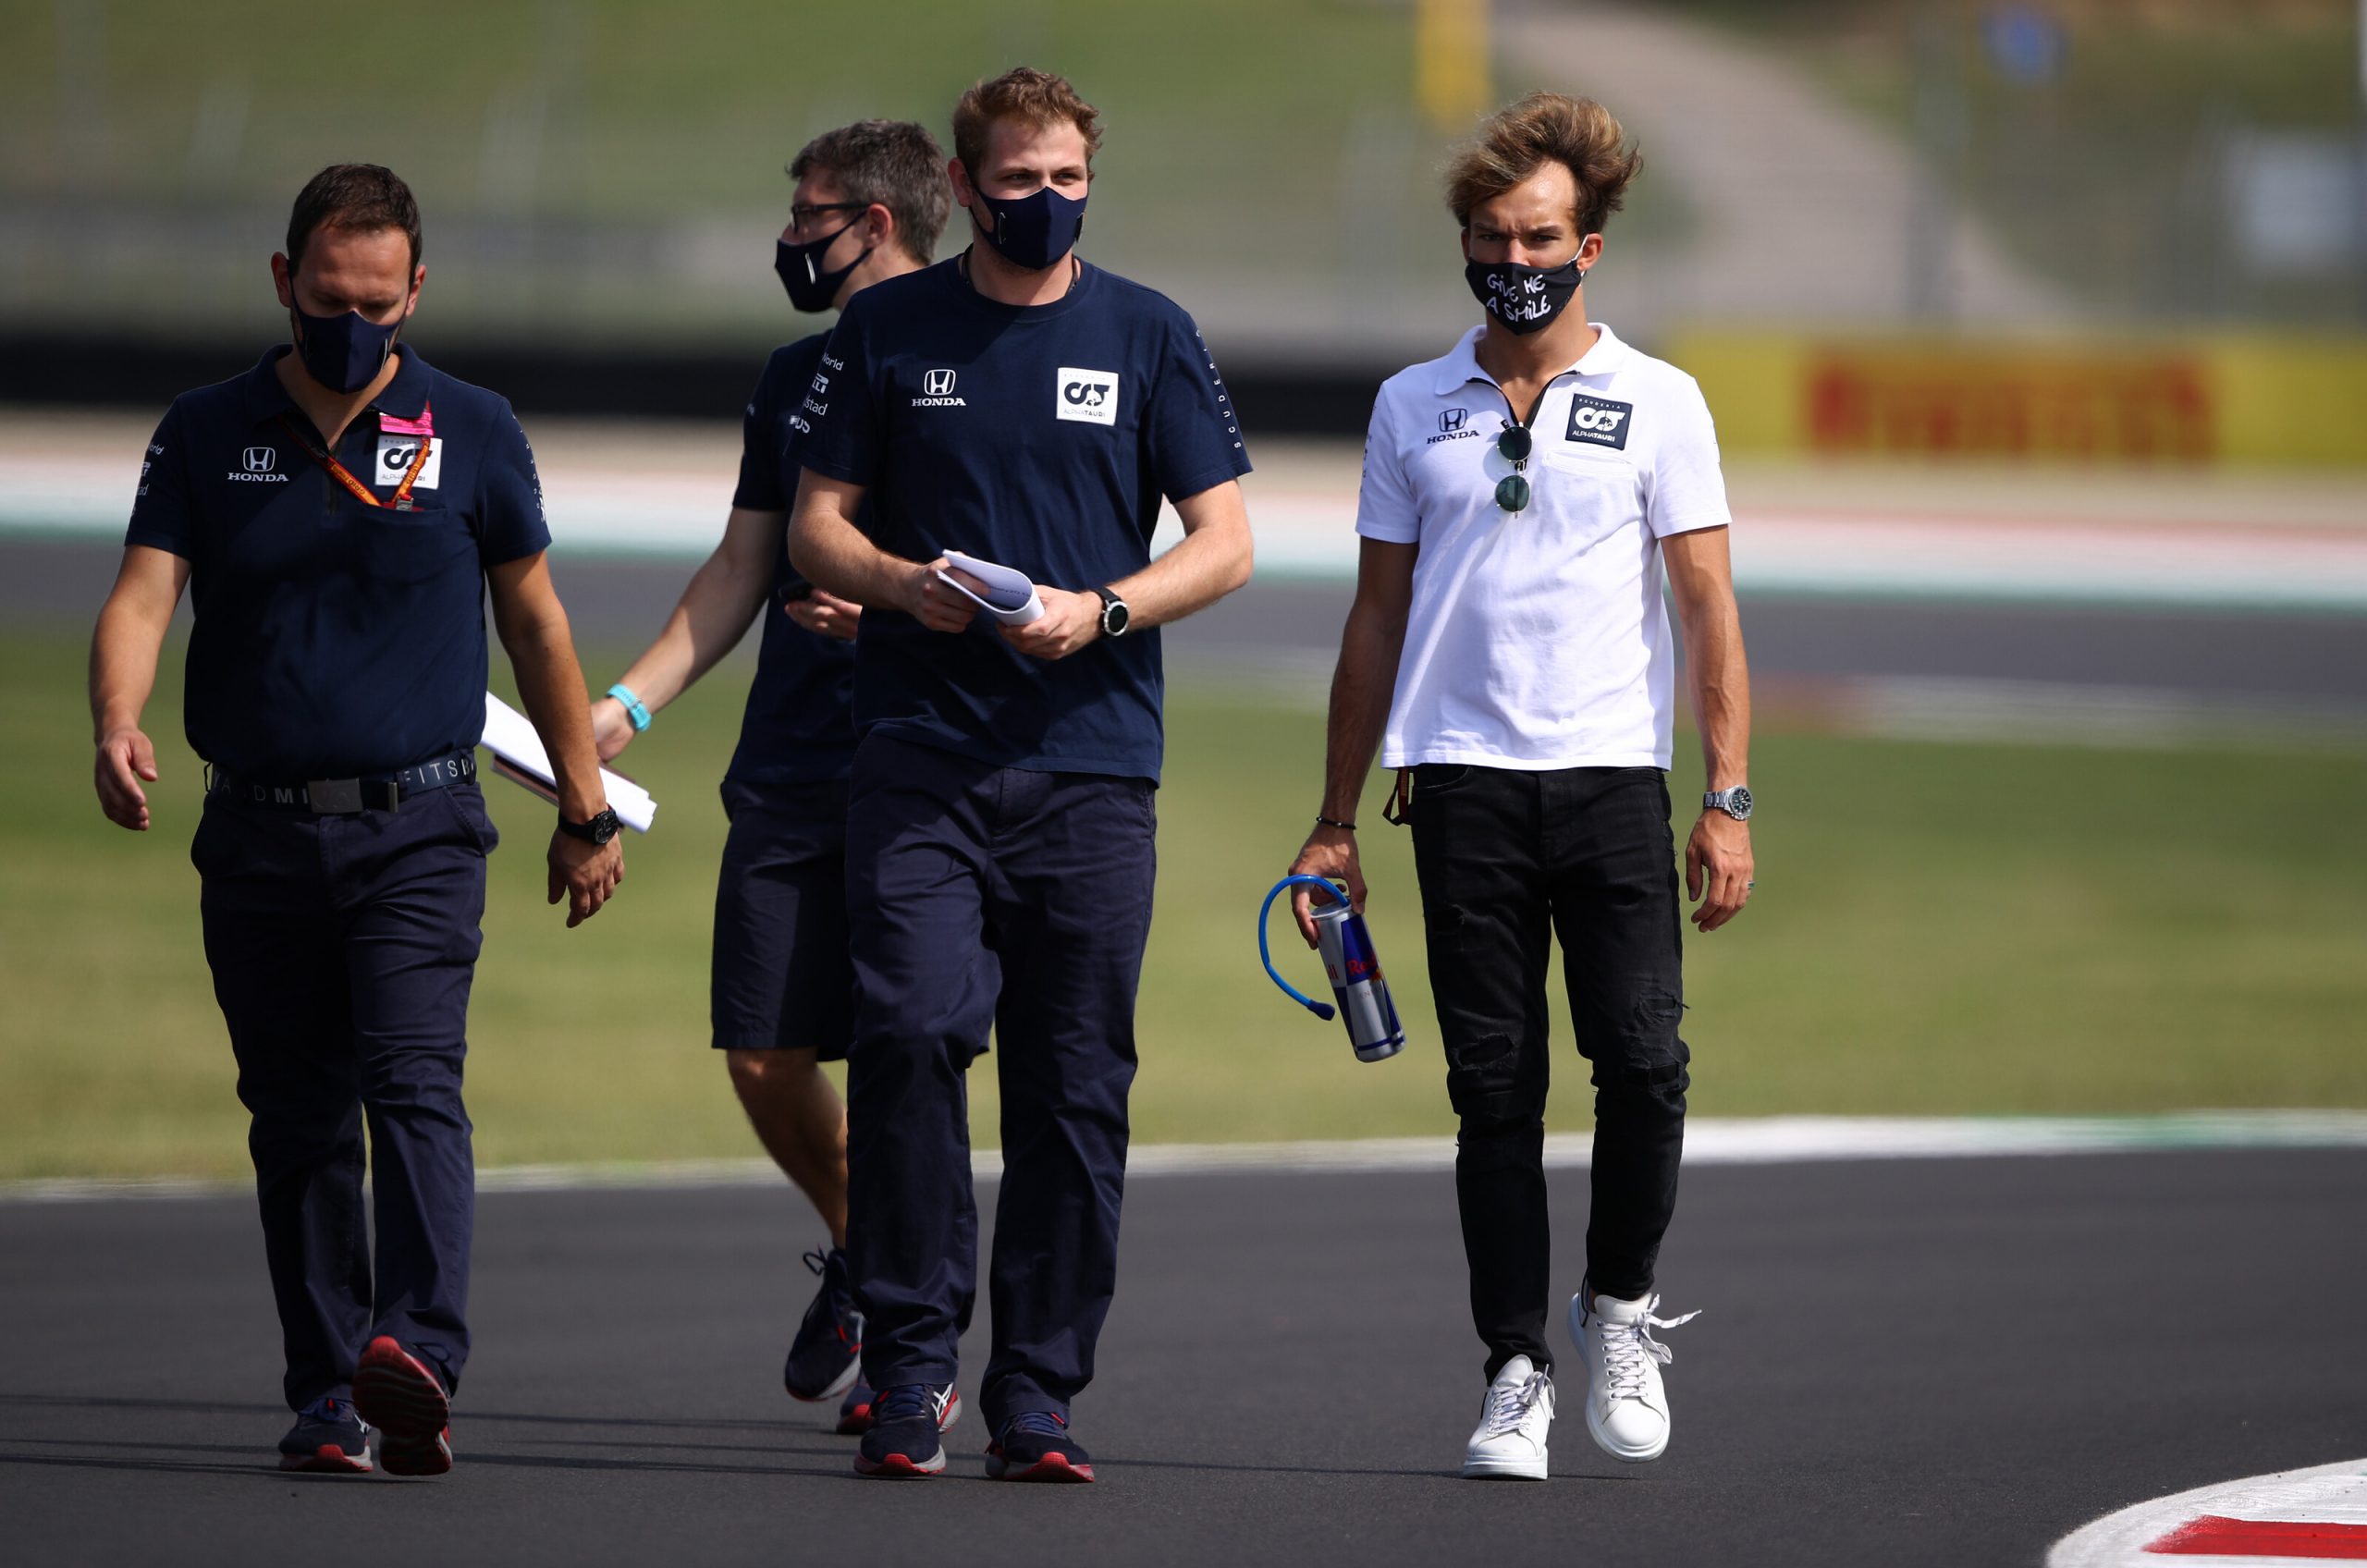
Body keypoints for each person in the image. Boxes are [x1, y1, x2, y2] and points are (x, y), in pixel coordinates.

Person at [89, 164, 624, 1478]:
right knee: (297, 1117)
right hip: (258, 833)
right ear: (285, 283)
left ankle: (419, 1353)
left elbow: (538, 625)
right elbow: (143, 596)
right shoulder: (206, 430)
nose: (355, 323)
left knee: (413, 1082)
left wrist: (585, 804)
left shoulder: (476, 429)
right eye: (331, 298)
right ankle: (331, 1389)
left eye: (380, 303)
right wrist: (117, 717)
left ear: (418, 293)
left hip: (420, 829)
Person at [788, 67, 1254, 1483]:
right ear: (967, 182)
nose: (1043, 202)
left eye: (1067, 180)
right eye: (1017, 180)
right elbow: (816, 530)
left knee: (1073, 1086)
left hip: (1094, 769)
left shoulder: (1150, 332)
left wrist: (1100, 610)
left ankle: (1038, 1389)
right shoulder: (885, 327)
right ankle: (914, 1357)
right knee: (913, 1038)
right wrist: (896, 586)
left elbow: (1225, 542)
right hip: (919, 763)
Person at [1283, 93, 1756, 1481]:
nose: (1514, 258)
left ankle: (1617, 1314)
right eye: (1492, 236)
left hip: (1613, 783)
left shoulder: (1662, 400)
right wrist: (1330, 820)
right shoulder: (1408, 406)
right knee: (1493, 1088)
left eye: (1540, 236)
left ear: (1590, 246)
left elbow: (1709, 606)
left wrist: (1727, 799)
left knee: (1646, 1063)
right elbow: (1375, 620)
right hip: (1462, 790)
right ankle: (1513, 1369)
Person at [587, 120, 950, 1437]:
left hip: (936, 765)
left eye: (813, 218)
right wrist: (621, 706)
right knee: (759, 1053)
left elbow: (1036, 566)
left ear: (883, 221)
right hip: (791, 762)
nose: (792, 240)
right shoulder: (796, 374)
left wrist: (899, 617)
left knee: (916, 1059)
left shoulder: (985, 355)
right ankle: (870, 1248)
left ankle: (913, 1331)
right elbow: (743, 565)